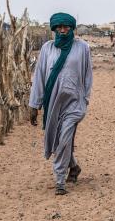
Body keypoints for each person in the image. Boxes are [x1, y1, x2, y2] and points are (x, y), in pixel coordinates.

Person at [29, 13, 93, 195]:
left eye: (66, 27)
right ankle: (73, 167)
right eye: (59, 27)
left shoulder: (82, 48)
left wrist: (85, 99)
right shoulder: (47, 49)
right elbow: (40, 77)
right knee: (59, 140)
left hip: (74, 103)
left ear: (72, 28)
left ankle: (59, 180)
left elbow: (88, 76)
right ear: (54, 29)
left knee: (64, 137)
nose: (63, 30)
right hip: (53, 103)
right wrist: (34, 105)